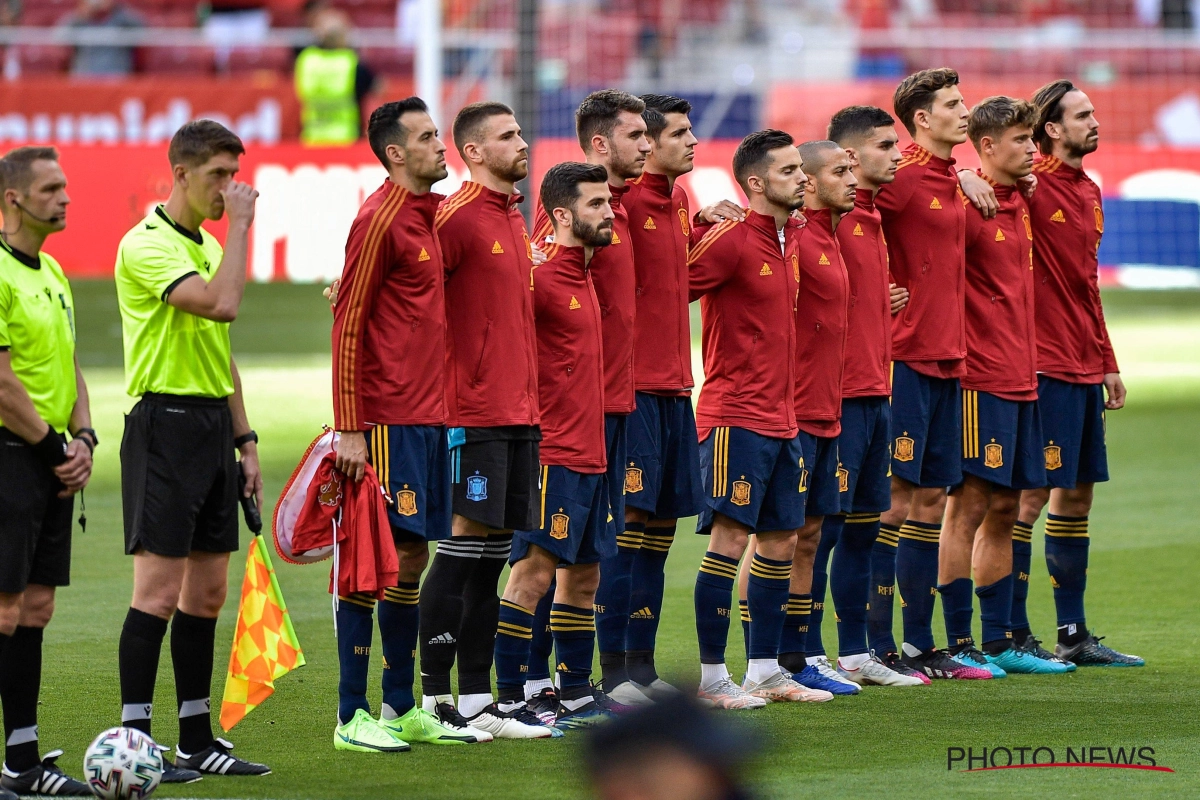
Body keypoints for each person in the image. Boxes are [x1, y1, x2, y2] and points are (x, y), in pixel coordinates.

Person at [114, 120, 270, 781]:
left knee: (206, 595)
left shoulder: (205, 245)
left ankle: (196, 738)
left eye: (234, 177)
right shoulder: (147, 245)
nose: (228, 189)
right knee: (155, 593)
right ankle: (135, 738)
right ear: (180, 173)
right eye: (217, 176)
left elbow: (221, 352)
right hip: (164, 425)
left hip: (209, 428)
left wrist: (246, 440)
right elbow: (222, 307)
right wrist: (239, 227)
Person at [328, 97, 482, 752]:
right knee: (373, 563)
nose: (438, 144)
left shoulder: (428, 216)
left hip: (429, 418)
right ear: (395, 153)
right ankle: (349, 714)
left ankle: (398, 707)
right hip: (386, 421)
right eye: (425, 137)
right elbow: (348, 323)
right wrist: (350, 427)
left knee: (411, 558)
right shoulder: (381, 216)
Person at [418, 101, 552, 739]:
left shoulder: (511, 219)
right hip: (470, 414)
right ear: (472, 152)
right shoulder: (455, 218)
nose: (521, 143)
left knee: (492, 554)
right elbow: (408, 300)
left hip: (520, 413)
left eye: (520, 132)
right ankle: (434, 699)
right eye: (507, 136)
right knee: (460, 550)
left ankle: (477, 700)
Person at [689, 130, 829, 709]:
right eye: (791, 170)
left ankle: (766, 670)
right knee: (730, 540)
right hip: (735, 417)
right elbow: (665, 290)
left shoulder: (790, 236)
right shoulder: (730, 243)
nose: (804, 178)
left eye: (803, 167)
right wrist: (697, 225)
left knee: (780, 540)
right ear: (754, 183)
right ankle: (710, 678)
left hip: (784, 417)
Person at [938, 96, 1070, 676]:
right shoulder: (965, 203)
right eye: (1021, 140)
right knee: (966, 506)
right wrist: (960, 175)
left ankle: (1000, 641)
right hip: (978, 379)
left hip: (1023, 377)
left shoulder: (1019, 200)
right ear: (987, 146)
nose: (1032, 150)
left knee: (1007, 506)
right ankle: (959, 640)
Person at [617, 94, 743, 701]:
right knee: (629, 526)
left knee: (660, 530)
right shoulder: (614, 201)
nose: (691, 142)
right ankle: (611, 671)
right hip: (631, 388)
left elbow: (674, 283)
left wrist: (697, 228)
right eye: (678, 133)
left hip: (675, 387)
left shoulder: (678, 201)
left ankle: (640, 668)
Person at [1014, 80, 1141, 667]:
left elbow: (1084, 286)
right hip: (1040, 363)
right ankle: (1010, 633)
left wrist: (1108, 362)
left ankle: (1073, 633)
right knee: (1029, 496)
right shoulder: (1028, 187)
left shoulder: (1089, 190)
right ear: (1052, 129)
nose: (1095, 122)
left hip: (1084, 364)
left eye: (1093, 113)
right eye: (1082, 115)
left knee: (1077, 497)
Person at [533, 90, 651, 707]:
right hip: (569, 419)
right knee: (541, 559)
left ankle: (578, 689)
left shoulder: (636, 209)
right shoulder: (569, 219)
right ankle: (524, 685)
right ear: (601, 144)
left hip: (617, 408)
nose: (649, 144)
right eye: (637, 135)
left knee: (590, 560)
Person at [874, 69, 990, 680]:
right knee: (893, 501)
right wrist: (873, 294)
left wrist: (965, 175)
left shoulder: (950, 177)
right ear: (921, 118)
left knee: (927, 501)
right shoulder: (901, 178)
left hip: (950, 358)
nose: (964, 111)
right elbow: (838, 212)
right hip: (905, 357)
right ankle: (873, 645)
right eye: (952, 104)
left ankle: (919, 645)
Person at [493, 162, 618, 730]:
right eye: (596, 205)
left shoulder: (585, 274)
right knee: (531, 576)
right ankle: (511, 695)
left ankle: (573, 692)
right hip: (551, 455)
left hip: (592, 455)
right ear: (563, 214)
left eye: (608, 202)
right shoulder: (537, 277)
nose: (609, 212)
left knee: (584, 578)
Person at [738, 140, 863, 698]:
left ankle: (799, 654)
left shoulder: (829, 236)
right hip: (788, 409)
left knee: (809, 535)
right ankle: (758, 660)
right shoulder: (795, 236)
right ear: (808, 183)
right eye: (840, 171)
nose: (853, 179)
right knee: (766, 537)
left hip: (827, 407)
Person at [0, 146, 95, 797]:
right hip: (13, 459)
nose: (64, 198)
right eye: (50, 189)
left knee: (35, 606)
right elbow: (2, 382)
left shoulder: (54, 271)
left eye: (64, 187)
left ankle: (22, 758)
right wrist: (53, 447)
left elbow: (71, 363)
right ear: (14, 200)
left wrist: (84, 434)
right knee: (5, 609)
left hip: (51, 458)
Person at [823, 106, 926, 686]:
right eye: (888, 146)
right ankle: (797, 657)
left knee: (866, 525)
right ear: (853, 156)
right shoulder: (823, 221)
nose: (898, 154)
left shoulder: (870, 217)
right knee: (819, 531)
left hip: (874, 389)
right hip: (830, 400)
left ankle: (859, 654)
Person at [294, 8, 378, 145]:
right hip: (346, 138)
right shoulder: (351, 62)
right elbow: (377, 88)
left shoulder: (306, 59)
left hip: (312, 137)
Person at [61, 0, 143, 77]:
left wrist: (116, 8)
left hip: (116, 75)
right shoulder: (80, 20)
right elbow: (59, 36)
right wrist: (80, 14)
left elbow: (144, 29)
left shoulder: (121, 18)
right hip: (84, 75)